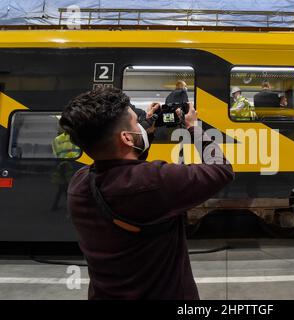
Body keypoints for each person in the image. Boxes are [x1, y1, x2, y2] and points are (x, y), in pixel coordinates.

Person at [59, 87, 234, 299]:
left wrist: (148, 125)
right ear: (127, 138)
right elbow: (221, 170)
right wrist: (193, 128)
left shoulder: (79, 184)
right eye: (135, 122)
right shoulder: (156, 181)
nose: (140, 125)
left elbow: (125, 166)